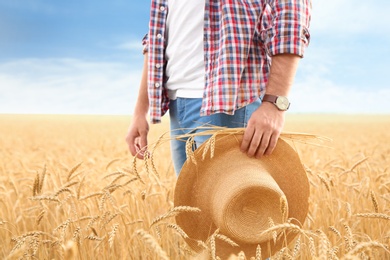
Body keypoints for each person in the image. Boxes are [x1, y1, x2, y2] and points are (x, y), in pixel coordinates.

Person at [126, 0, 312, 175]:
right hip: (177, 105)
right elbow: (157, 37)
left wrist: (275, 103)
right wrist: (140, 111)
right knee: (192, 205)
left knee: (228, 206)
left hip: (229, 106)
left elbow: (291, 16)